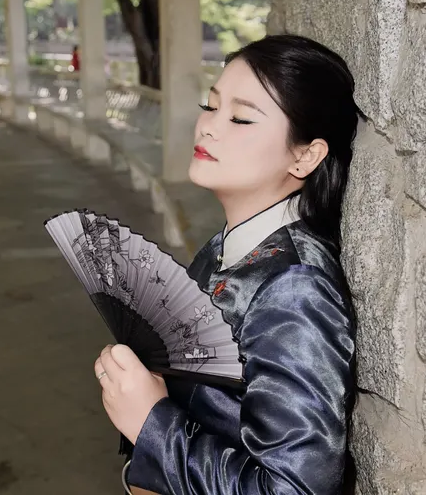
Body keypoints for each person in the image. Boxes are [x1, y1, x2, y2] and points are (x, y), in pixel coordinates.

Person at [94, 34, 360, 495]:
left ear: (305, 156)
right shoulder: (225, 247)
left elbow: (293, 488)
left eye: (240, 118)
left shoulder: (295, 288)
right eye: (210, 105)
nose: (208, 127)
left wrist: (151, 421)